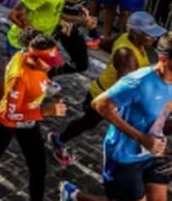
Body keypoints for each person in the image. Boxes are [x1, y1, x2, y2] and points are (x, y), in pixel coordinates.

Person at [59, 33, 172, 201]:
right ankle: (74, 196)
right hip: (124, 156)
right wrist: (141, 138)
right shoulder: (138, 82)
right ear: (164, 59)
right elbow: (99, 104)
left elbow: (162, 117)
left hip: (153, 153)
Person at [50, 11, 165, 166]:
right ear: (136, 33)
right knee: (88, 122)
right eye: (149, 35)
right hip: (103, 95)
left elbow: (104, 44)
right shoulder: (127, 56)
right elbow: (125, 87)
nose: (154, 38)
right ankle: (59, 139)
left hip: (102, 89)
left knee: (89, 122)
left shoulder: (125, 37)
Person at [0, 32, 68, 201]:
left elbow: (37, 76)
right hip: (7, 123)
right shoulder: (19, 77)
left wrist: (45, 85)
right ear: (32, 58)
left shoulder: (26, 57)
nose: (51, 66)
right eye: (48, 63)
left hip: (28, 122)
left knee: (38, 167)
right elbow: (11, 114)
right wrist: (45, 111)